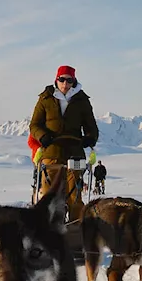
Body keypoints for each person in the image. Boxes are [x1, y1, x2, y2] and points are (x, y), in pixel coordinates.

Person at [29, 65, 99, 222]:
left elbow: (92, 128)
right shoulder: (45, 99)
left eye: (69, 80)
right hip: (51, 152)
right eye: (62, 79)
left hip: (74, 153)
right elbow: (34, 125)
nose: (65, 83)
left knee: (75, 197)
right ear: (56, 79)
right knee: (47, 195)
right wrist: (43, 136)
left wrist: (89, 138)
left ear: (73, 81)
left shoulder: (82, 101)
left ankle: (74, 233)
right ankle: (45, 231)